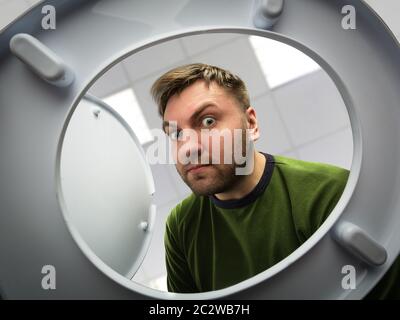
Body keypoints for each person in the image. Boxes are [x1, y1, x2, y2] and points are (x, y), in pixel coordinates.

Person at [150, 63, 400, 298]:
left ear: (251, 124)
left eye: (208, 121)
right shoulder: (181, 225)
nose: (188, 148)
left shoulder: (329, 192)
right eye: (176, 133)